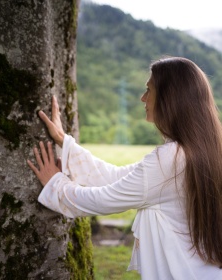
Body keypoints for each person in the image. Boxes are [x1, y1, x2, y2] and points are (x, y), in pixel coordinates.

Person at [27, 57, 222, 280]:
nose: (143, 98)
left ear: (170, 97)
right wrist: (65, 142)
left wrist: (56, 184)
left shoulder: (170, 159)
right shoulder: (205, 151)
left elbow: (103, 199)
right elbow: (116, 177)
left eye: (149, 90)